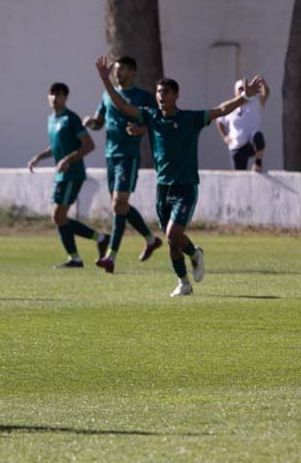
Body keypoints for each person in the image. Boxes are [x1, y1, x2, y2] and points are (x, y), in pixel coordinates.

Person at [94, 55, 264, 296]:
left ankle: (195, 253)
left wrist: (244, 96)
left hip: (185, 186)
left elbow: (220, 110)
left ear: (176, 95)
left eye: (165, 92)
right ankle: (183, 282)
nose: (160, 96)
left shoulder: (190, 119)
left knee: (174, 234)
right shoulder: (151, 117)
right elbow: (122, 106)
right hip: (162, 188)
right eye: (158, 92)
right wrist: (105, 80)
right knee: (173, 241)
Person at [82, 56, 164, 273]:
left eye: (123, 70)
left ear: (133, 72)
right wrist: (92, 122)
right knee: (121, 206)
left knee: (119, 203)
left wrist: (141, 130)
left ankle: (111, 256)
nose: (118, 73)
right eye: (116, 70)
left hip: (129, 155)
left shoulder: (142, 97)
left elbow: (157, 121)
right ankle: (150, 239)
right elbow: (100, 122)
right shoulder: (107, 95)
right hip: (111, 156)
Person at [26, 83, 109, 269]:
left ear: (66, 98)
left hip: (73, 174)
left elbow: (88, 145)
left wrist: (69, 160)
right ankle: (91, 246)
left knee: (58, 215)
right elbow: (56, 148)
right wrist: (39, 157)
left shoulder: (71, 118)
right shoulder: (51, 120)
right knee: (58, 217)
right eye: (53, 94)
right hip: (62, 175)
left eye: (60, 94)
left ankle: (86, 250)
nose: (56, 97)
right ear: (48, 97)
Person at [216, 77, 270, 172]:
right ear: (235, 92)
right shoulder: (231, 106)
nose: (242, 92)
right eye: (240, 89)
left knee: (258, 138)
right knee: (240, 175)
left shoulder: (254, 103)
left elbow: (265, 95)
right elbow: (219, 121)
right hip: (237, 145)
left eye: (244, 89)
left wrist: (263, 84)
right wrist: (225, 137)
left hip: (251, 143)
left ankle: (258, 163)